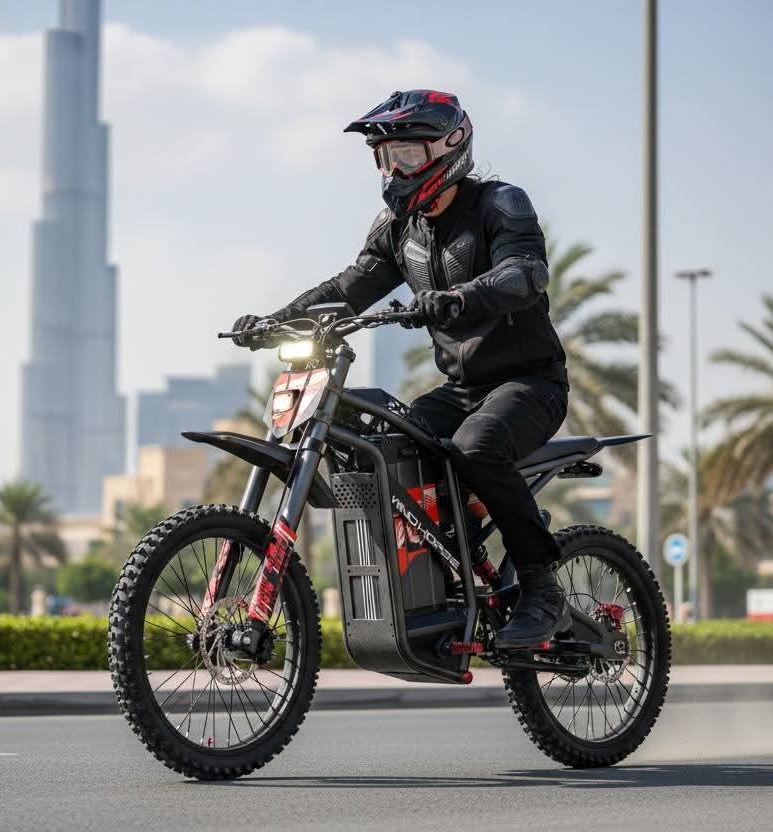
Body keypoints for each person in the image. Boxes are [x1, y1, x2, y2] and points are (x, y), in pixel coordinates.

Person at [231, 90, 570, 649]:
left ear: (450, 147)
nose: (394, 171)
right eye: (384, 158)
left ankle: (542, 589)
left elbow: (525, 273)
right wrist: (274, 321)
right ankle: (450, 581)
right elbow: (346, 290)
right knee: (391, 447)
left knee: (476, 448)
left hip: (529, 384)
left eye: (407, 156)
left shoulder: (500, 204)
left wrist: (460, 297)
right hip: (460, 390)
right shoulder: (397, 228)